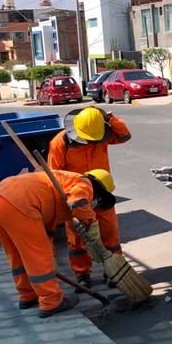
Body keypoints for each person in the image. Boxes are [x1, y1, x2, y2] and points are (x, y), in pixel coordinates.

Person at [0, 169, 115, 318]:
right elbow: (78, 201)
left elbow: (48, 221)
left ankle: (27, 295)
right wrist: (90, 222)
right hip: (19, 203)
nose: (95, 206)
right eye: (98, 203)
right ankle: (51, 301)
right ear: (100, 192)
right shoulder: (84, 183)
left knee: (17, 255)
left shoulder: (63, 183)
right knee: (38, 256)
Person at [48, 106, 131, 289]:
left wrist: (110, 118)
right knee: (78, 237)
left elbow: (124, 135)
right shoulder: (60, 143)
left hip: (101, 191)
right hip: (77, 196)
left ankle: (113, 271)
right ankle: (82, 273)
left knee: (110, 233)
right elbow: (55, 174)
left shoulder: (102, 134)